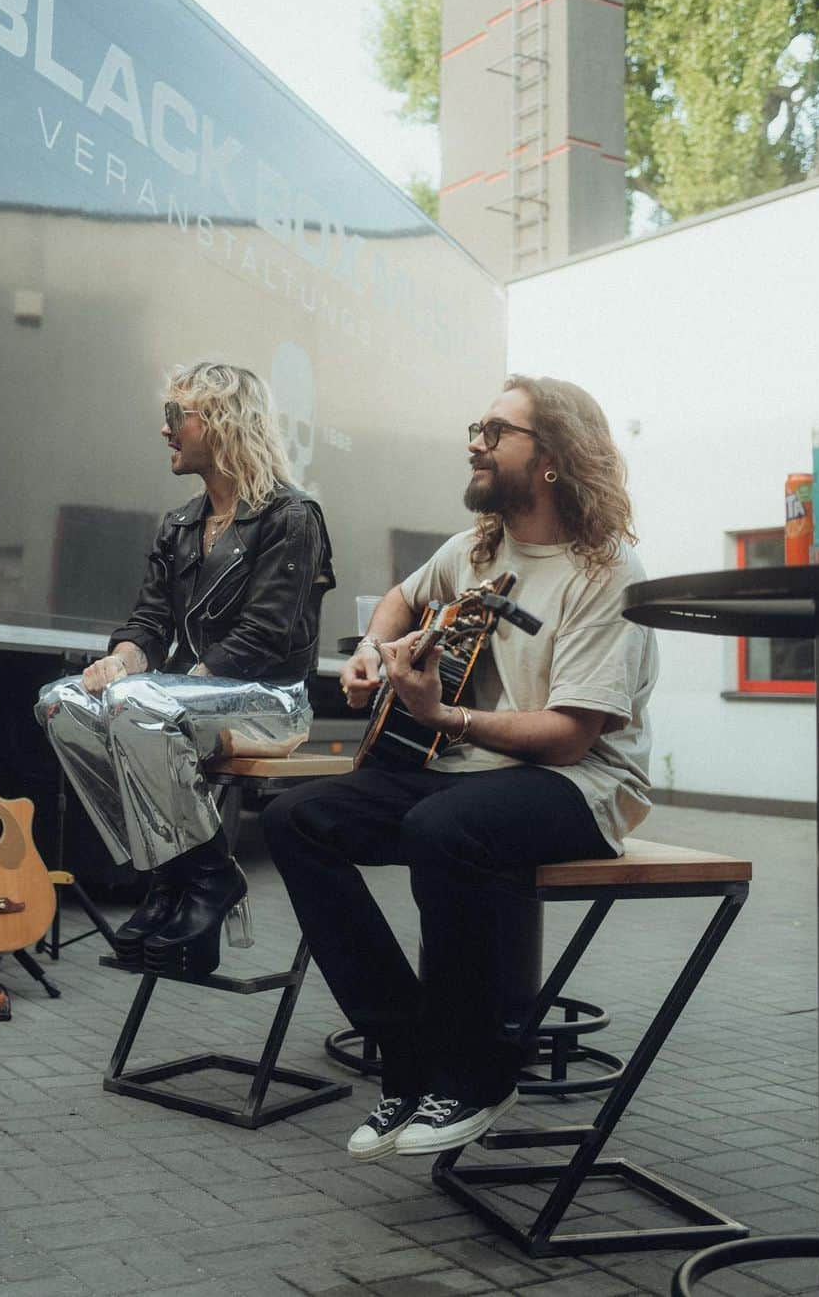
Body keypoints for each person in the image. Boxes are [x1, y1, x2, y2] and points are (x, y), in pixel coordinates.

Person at [262, 374, 658, 1161]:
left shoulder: (605, 572)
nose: (473, 441)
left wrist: (443, 715)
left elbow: (572, 736)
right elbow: (397, 603)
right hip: (471, 768)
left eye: (494, 429)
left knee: (440, 826)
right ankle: (409, 1060)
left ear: (551, 459)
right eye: (474, 427)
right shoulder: (475, 549)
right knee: (296, 819)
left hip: (583, 787)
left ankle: (478, 1074)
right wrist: (375, 654)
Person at [36, 361, 333, 977]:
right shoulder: (178, 524)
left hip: (270, 701)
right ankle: (180, 878)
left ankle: (201, 883)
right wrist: (120, 660)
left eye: (177, 416)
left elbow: (263, 636)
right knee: (60, 701)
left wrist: (165, 685)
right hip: (186, 697)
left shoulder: (290, 517)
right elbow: (148, 623)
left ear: (222, 423)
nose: (165, 430)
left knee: (136, 705)